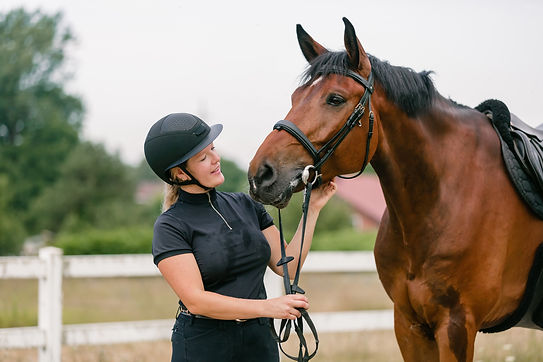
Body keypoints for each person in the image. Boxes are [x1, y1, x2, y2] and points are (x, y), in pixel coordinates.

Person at [144, 113, 336, 362]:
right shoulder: (170, 226)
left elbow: (289, 264)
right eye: (204, 157)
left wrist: (312, 209)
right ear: (180, 174)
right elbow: (196, 301)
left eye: (213, 149)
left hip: (259, 339)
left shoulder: (245, 204)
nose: (216, 159)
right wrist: (266, 308)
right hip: (204, 343)